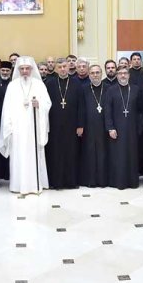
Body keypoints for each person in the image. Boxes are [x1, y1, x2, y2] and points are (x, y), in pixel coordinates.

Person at [1, 57, 51, 196]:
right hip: (17, 128)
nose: (24, 71)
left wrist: (39, 104)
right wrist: (9, 126)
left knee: (33, 155)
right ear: (18, 70)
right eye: (22, 69)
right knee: (18, 155)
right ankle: (18, 184)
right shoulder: (12, 86)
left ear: (31, 69)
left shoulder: (39, 85)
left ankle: (35, 185)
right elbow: (7, 108)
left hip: (34, 127)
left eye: (27, 68)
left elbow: (47, 103)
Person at [45, 61, 84, 189]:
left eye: (64, 67)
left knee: (71, 153)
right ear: (56, 69)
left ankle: (71, 182)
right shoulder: (50, 84)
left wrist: (80, 125)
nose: (62, 69)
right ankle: (55, 182)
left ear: (68, 67)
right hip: (54, 125)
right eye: (60, 67)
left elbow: (81, 106)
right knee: (55, 153)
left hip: (72, 125)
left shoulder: (76, 83)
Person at [102, 68, 141, 189]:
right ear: (117, 75)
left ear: (129, 75)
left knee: (132, 155)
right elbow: (107, 110)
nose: (123, 75)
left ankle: (132, 181)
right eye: (120, 74)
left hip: (132, 128)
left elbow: (140, 111)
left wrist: (139, 128)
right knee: (118, 155)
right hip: (116, 129)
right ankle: (118, 181)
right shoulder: (111, 90)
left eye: (125, 73)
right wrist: (110, 128)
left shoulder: (136, 89)